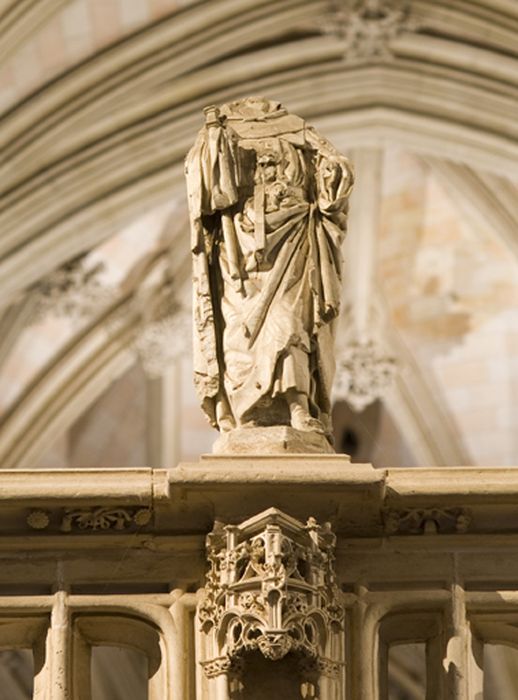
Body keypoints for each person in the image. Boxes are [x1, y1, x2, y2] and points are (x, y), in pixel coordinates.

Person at [185, 97, 353, 444]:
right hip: (238, 253)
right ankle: (245, 413)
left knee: (288, 324)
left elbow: (332, 183)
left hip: (291, 243)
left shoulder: (299, 131)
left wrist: (333, 172)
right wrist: (214, 141)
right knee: (238, 336)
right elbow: (206, 190)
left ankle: (297, 406)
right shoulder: (221, 127)